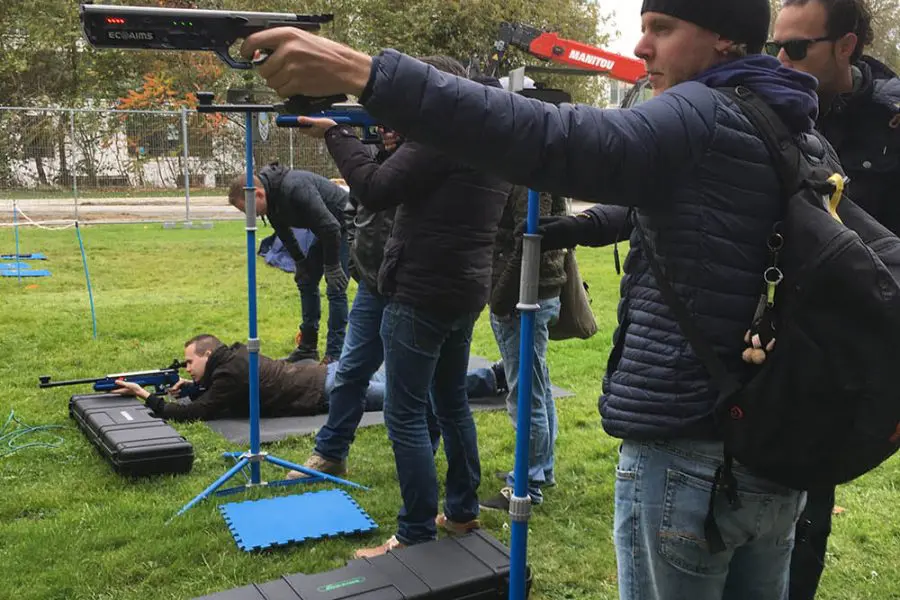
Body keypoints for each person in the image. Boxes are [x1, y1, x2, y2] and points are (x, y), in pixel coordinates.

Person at [240, 0, 828, 595]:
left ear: (725, 39)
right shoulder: (787, 121)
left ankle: (421, 524)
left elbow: (555, 135)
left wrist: (365, 73)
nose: (640, 47)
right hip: (768, 449)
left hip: (691, 455)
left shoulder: (700, 112)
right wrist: (576, 227)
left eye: (662, 28)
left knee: (425, 406)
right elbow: (674, 208)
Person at [288, 56, 511, 558]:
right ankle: (461, 511)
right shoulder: (487, 135)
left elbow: (374, 189)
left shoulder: (441, 134)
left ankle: (414, 533)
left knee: (405, 413)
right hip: (463, 289)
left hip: (421, 290)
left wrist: (335, 134)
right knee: (451, 403)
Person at [771, 2, 900, 597]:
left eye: (796, 48)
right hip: (800, 331)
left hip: (877, 328)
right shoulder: (777, 108)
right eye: (774, 46)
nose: (780, 60)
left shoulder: (891, 119)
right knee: (800, 490)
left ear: (846, 45)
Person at [283, 127, 405, 480]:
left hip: (410, 286)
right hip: (371, 284)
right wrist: (356, 260)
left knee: (411, 380)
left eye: (392, 125)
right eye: (381, 125)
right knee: (350, 370)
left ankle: (420, 459)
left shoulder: (424, 160)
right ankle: (330, 453)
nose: (385, 132)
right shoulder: (376, 160)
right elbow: (352, 210)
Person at [473, 184, 567, 512]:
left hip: (524, 295)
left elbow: (529, 238)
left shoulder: (529, 176)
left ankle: (527, 482)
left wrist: (501, 296)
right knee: (536, 384)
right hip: (532, 291)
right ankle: (540, 468)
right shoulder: (540, 168)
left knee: (525, 394)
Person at [229, 167, 351, 364]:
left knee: (335, 288)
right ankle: (308, 348)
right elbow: (284, 234)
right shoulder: (272, 200)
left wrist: (332, 266)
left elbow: (331, 227)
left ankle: (334, 355)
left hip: (345, 225)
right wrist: (300, 263)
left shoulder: (295, 188)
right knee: (306, 281)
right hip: (325, 230)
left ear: (258, 194)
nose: (250, 215)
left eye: (248, 210)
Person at [111, 334, 383, 421]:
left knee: (400, 397)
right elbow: (223, 389)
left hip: (327, 389)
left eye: (191, 362)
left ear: (208, 354)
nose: (187, 368)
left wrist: (144, 394)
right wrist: (194, 386)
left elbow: (196, 412)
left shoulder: (231, 373)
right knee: (392, 377)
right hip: (325, 375)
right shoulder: (233, 356)